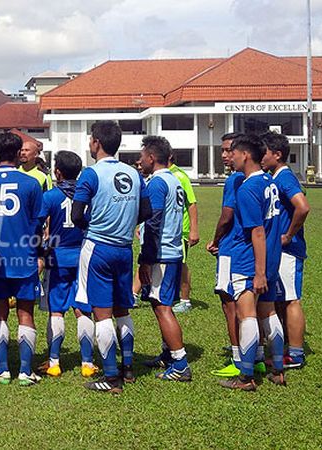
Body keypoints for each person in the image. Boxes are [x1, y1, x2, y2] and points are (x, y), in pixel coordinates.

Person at [72, 120, 149, 393]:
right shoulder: (134, 173)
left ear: (96, 142)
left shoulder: (90, 174)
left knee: (102, 314)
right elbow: (147, 212)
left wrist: (94, 227)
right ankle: (128, 368)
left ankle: (111, 376)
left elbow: (76, 215)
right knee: (122, 310)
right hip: (124, 249)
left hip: (99, 249)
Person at [219, 134, 286, 391]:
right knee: (268, 311)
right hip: (270, 258)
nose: (230, 158)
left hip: (250, 260)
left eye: (233, 153)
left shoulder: (247, 188)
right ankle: (278, 369)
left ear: (245, 155)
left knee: (246, 315)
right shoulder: (270, 182)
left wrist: (258, 272)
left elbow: (256, 231)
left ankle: (246, 377)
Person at [0, 131, 44, 386]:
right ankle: (26, 371)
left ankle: (3, 369)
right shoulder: (31, 184)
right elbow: (38, 224)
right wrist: (39, 254)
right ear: (18, 153)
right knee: (26, 313)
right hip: (24, 256)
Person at [136, 136, 192, 381]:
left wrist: (146, 258)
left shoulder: (158, 183)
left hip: (163, 254)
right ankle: (168, 354)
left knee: (162, 307)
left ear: (151, 158)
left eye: (141, 157)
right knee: (160, 304)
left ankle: (180, 363)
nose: (139, 161)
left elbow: (155, 220)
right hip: (171, 251)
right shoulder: (172, 179)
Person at [38, 150, 98, 378]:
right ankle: (87, 363)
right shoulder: (88, 196)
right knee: (83, 310)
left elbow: (38, 224)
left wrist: (39, 250)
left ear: (57, 172)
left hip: (58, 258)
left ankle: (54, 362)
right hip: (83, 255)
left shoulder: (51, 196)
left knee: (56, 311)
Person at [261, 131, 310, 369]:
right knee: (281, 299)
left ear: (277, 155)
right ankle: (287, 346)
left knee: (290, 300)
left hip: (289, 250)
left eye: (265, 152)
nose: (261, 157)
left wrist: (288, 235)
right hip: (280, 249)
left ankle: (296, 354)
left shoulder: (284, 177)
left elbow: (302, 207)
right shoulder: (276, 177)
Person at [206, 133, 252, 378]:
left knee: (229, 302)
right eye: (222, 150)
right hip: (248, 248)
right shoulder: (257, 178)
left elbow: (227, 215)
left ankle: (238, 357)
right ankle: (255, 353)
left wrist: (216, 239)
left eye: (227, 150)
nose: (224, 155)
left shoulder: (235, 180)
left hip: (232, 249)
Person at [169, 154, 200, 313]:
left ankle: (185, 300)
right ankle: (172, 295)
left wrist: (194, 229)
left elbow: (192, 203)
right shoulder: (163, 174)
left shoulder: (180, 176)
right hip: (168, 229)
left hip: (180, 230)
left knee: (181, 265)